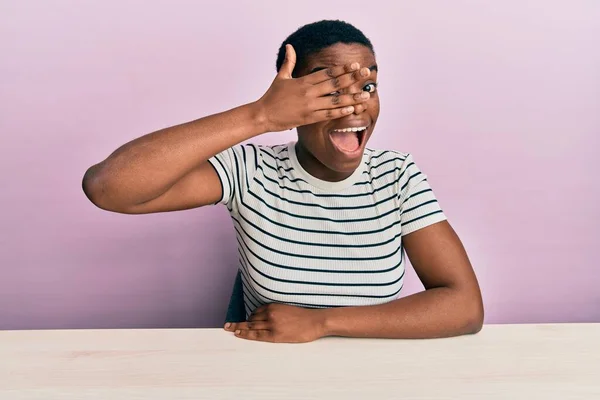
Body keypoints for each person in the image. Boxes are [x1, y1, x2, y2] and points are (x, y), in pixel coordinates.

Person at [82, 20, 484, 343]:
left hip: (372, 375)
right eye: (329, 89)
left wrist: (321, 323)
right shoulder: (251, 170)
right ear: (291, 96)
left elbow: (464, 306)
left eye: (368, 86)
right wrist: (260, 115)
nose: (355, 103)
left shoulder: (396, 175)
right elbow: (108, 187)